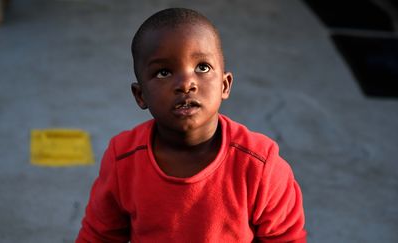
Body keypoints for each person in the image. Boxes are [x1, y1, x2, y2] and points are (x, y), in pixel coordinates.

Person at [76, 8, 307, 242]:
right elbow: (98, 237)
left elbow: (287, 239)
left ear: (225, 85)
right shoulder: (123, 158)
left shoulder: (259, 164)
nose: (186, 83)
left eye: (202, 68)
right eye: (164, 72)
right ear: (140, 95)